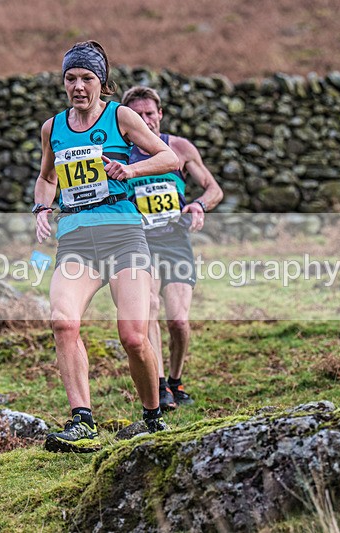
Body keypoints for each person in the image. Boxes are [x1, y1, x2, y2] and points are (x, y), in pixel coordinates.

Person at [33, 41, 179, 453]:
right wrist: (42, 206)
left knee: (133, 336)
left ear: (101, 82)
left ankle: (152, 418)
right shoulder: (53, 127)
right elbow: (46, 177)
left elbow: (168, 158)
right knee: (63, 322)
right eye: (71, 79)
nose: (78, 86)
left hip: (122, 234)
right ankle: (82, 422)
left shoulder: (121, 117)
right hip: (76, 238)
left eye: (87, 79)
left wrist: (128, 168)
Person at [121, 86, 223, 412]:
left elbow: (213, 188)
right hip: (140, 242)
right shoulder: (120, 154)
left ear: (160, 114)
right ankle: (161, 386)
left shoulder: (178, 147)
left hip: (176, 239)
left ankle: (176, 380)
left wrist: (198, 206)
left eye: (150, 113)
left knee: (178, 321)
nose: (146, 120)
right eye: (139, 115)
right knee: (149, 305)